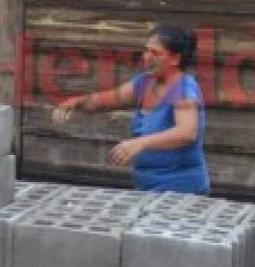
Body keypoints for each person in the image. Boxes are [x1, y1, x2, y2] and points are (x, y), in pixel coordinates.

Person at [52, 24, 209, 194]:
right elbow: (106, 99)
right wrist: (76, 102)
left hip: (181, 190)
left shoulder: (183, 88)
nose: (147, 57)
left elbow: (187, 132)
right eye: (146, 51)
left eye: (155, 53)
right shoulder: (144, 83)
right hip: (147, 186)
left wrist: (141, 142)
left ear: (175, 59)